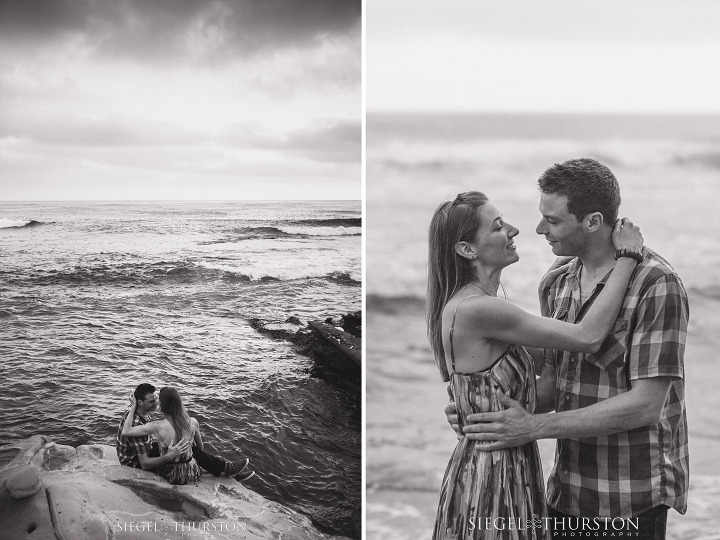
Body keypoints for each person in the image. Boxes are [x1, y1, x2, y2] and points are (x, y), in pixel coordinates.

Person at [449, 159, 689, 540]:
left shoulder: (656, 284)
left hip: (629, 497)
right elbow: (553, 385)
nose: (540, 229)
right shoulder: (557, 282)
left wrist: (533, 427)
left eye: (554, 220)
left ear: (592, 222)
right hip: (565, 492)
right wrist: (486, 414)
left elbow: (647, 404)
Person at [427, 190, 643, 540]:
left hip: (502, 460)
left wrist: (473, 409)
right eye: (498, 227)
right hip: (493, 472)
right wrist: (629, 258)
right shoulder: (479, 309)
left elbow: (555, 373)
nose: (513, 230)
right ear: (467, 250)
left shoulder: (479, 306)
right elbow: (587, 338)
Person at [116, 383, 254, 482]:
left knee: (187, 448)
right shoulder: (137, 422)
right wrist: (169, 456)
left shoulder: (142, 411)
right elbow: (144, 463)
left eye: (157, 399)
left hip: (146, 449)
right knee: (188, 450)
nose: (157, 403)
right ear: (140, 402)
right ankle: (226, 468)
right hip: (134, 462)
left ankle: (226, 468)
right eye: (152, 401)